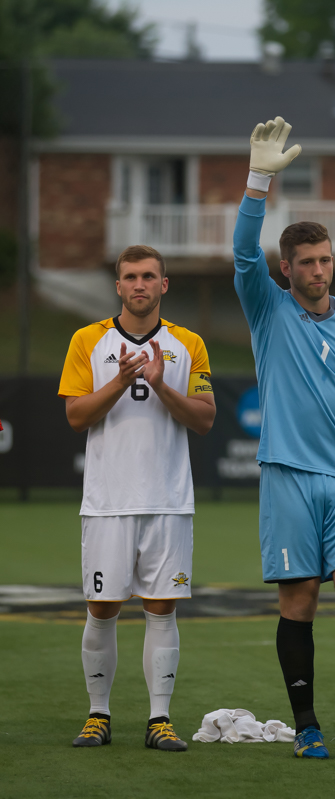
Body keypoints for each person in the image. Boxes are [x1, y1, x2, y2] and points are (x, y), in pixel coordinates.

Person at [233, 116, 335, 761]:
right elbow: (244, 254)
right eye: (307, 263)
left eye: (326, 261)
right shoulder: (268, 308)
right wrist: (257, 183)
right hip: (285, 478)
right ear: (289, 268)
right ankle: (306, 727)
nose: (319, 271)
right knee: (298, 600)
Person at [58, 245, 216, 751]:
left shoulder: (189, 343)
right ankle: (98, 714)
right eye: (131, 277)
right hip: (107, 502)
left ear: (164, 285)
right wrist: (121, 381)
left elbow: (205, 418)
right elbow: (76, 416)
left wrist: (162, 384)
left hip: (168, 500)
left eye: (150, 276)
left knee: (162, 609)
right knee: (101, 608)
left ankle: (159, 719)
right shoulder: (89, 340)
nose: (140, 284)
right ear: (119, 286)